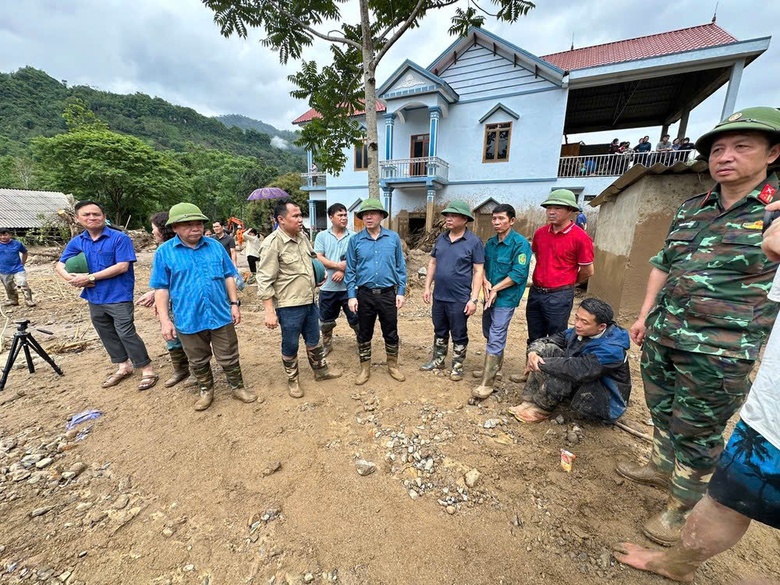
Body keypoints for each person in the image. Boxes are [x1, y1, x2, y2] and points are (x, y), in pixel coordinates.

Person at [617, 106, 780, 546]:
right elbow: (663, 264)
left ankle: (680, 508)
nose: (725, 156)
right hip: (664, 334)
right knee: (661, 410)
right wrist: (646, 312)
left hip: (721, 351)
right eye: (718, 149)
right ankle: (660, 466)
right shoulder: (693, 209)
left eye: (742, 147)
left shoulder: (776, 212)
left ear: (773, 153)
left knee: (698, 430)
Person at [150, 202, 257, 411]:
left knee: (229, 353)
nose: (195, 228)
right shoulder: (164, 253)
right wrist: (165, 320)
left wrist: (234, 304)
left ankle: (237, 387)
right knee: (197, 358)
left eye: (198, 223)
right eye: (188, 224)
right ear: (174, 228)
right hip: (188, 316)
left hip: (220, 313)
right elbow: (161, 289)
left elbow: (228, 276)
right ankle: (206, 390)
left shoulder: (215, 246)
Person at [56, 201, 158, 391]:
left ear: (104, 216)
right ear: (78, 219)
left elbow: (122, 266)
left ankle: (146, 369)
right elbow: (60, 264)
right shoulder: (78, 241)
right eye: (86, 215)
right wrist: (72, 279)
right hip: (94, 296)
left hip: (119, 295)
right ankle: (123, 366)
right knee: (106, 333)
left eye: (96, 214)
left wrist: (90, 277)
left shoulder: (119, 238)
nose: (92, 218)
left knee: (126, 332)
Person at [257, 199, 341, 398]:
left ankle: (321, 371)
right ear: (281, 219)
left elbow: (312, 258)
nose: (300, 219)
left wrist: (319, 275)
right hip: (289, 305)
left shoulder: (302, 236)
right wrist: (269, 311)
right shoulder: (272, 244)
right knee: (291, 344)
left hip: (310, 300)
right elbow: (264, 279)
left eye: (300, 215)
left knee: (314, 339)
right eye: (295, 216)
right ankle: (293, 380)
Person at [507, 298, 631, 423]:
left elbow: (577, 369)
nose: (577, 324)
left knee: (565, 370)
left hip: (604, 402)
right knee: (547, 350)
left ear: (601, 326)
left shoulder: (611, 350)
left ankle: (541, 408)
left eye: (584, 322)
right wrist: (533, 353)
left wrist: (541, 364)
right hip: (585, 385)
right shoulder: (578, 331)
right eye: (577, 318)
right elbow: (548, 340)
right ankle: (530, 399)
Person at [520, 189, 594, 381]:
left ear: (570, 211)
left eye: (557, 208)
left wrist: (569, 282)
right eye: (549, 208)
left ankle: (550, 378)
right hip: (536, 292)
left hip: (560, 295)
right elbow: (538, 256)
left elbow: (588, 270)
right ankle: (530, 374)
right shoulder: (540, 234)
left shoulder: (580, 237)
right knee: (534, 335)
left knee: (556, 337)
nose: (551, 211)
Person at [471, 203, 531, 399]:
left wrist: (496, 288)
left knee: (497, 333)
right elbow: (483, 266)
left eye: (501, 219)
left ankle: (487, 384)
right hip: (489, 294)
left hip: (506, 296)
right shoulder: (490, 243)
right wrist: (486, 282)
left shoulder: (520, 244)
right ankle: (495, 368)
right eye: (494, 219)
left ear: (511, 221)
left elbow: (519, 274)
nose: (496, 223)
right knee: (488, 331)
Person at [345, 198, 407, 385]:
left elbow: (400, 266)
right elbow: (350, 269)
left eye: (372, 213)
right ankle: (365, 368)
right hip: (364, 295)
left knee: (391, 331)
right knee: (364, 332)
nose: (368, 217)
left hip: (388, 294)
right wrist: (351, 296)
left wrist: (401, 291)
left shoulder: (393, 238)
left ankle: (393, 365)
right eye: (365, 214)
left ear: (381, 216)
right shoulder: (355, 240)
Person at [421, 201, 484, 381]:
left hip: (459, 298)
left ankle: (457, 365)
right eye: (447, 215)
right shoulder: (441, 239)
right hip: (439, 296)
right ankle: (438, 359)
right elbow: (433, 263)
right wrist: (427, 287)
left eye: (453, 215)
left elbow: (478, 270)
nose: (448, 218)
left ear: (464, 219)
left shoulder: (474, 242)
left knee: (459, 332)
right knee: (439, 329)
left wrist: (473, 300)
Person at [135, 212, 197, 389]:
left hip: (185, 302)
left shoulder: (184, 249)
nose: (152, 231)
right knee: (171, 336)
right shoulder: (162, 251)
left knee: (190, 337)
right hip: (168, 304)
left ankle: (195, 370)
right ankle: (180, 369)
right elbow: (163, 281)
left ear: (163, 229)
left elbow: (184, 279)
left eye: (154, 228)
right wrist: (154, 294)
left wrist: (154, 294)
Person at [314, 203, 359, 357]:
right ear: (331, 217)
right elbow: (318, 257)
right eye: (340, 215)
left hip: (350, 288)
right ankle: (327, 345)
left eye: (345, 215)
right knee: (326, 322)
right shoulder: (322, 236)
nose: (344, 218)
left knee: (356, 320)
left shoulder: (354, 237)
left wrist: (342, 271)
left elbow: (357, 259)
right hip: (327, 287)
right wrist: (337, 265)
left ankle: (362, 344)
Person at [0, 228, 35, 307]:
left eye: (5, 235)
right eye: (1, 235)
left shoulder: (17, 244)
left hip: (17, 268)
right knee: (8, 286)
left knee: (23, 283)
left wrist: (22, 263)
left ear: (10, 235)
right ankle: (13, 300)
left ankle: (28, 300)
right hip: (3, 270)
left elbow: (25, 253)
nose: (3, 237)